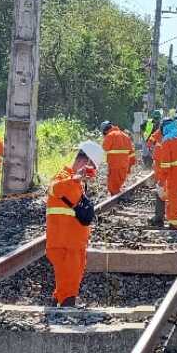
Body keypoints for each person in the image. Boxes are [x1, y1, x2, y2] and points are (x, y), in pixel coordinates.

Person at [46, 142, 103, 307]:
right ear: (84, 160)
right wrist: (75, 178)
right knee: (69, 279)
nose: (92, 171)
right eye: (92, 167)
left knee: (68, 279)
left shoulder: (77, 182)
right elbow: (54, 189)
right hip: (64, 242)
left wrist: (78, 180)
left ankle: (58, 304)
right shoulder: (64, 176)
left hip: (72, 242)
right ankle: (66, 308)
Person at [100, 120, 136, 195]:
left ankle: (115, 198)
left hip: (114, 165)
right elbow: (131, 153)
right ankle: (118, 196)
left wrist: (105, 138)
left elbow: (105, 148)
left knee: (113, 185)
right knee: (119, 182)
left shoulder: (110, 135)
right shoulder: (125, 136)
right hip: (125, 164)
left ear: (105, 130)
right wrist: (131, 164)